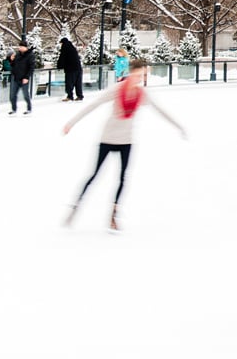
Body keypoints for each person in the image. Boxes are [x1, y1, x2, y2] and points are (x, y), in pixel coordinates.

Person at [62, 59, 187, 231]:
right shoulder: (117, 89)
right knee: (94, 175)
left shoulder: (142, 94)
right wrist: (72, 123)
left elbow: (160, 110)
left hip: (126, 140)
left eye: (143, 75)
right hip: (108, 138)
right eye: (138, 74)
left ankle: (113, 215)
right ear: (131, 72)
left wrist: (178, 126)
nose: (141, 78)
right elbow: (93, 104)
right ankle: (75, 207)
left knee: (122, 178)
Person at [8, 41, 34, 115]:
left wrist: (26, 77)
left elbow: (31, 68)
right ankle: (14, 109)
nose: (20, 48)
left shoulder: (30, 55)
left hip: (24, 78)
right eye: (19, 47)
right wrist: (11, 60)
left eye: (21, 47)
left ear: (25, 47)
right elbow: (13, 65)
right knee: (12, 95)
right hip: (16, 77)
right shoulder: (17, 55)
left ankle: (29, 108)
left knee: (26, 95)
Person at [57, 37, 84, 101]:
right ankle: (80, 96)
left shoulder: (65, 48)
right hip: (78, 68)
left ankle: (70, 96)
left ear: (63, 43)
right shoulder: (72, 48)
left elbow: (62, 58)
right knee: (78, 83)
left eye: (61, 43)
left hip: (71, 69)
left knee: (69, 83)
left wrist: (59, 66)